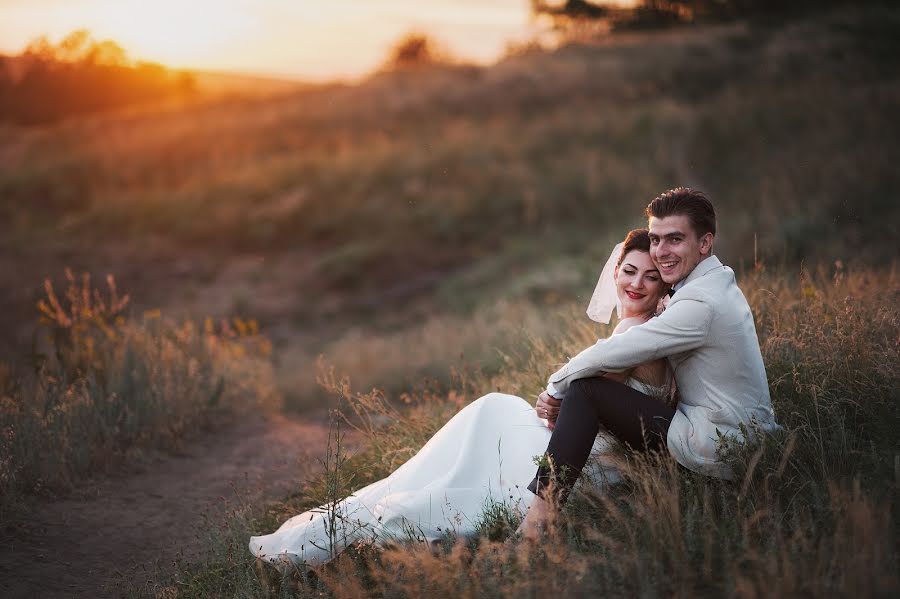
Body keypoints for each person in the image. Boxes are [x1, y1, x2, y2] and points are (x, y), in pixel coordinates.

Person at [249, 228, 672, 567]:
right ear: (615, 271)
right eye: (630, 271)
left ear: (662, 285)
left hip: (593, 467)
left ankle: (425, 510)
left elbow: (591, 399)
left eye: (651, 277)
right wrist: (556, 404)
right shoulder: (639, 326)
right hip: (588, 448)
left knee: (493, 413)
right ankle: (423, 491)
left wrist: (555, 402)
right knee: (495, 409)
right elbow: (593, 397)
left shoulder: (636, 333)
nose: (636, 284)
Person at [518, 187, 781, 538]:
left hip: (719, 446)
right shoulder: (710, 283)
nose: (661, 251)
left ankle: (534, 532)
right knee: (588, 393)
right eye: (656, 239)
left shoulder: (701, 303)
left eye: (675, 239)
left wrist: (555, 386)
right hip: (729, 433)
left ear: (704, 244)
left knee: (584, 392)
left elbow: (616, 352)